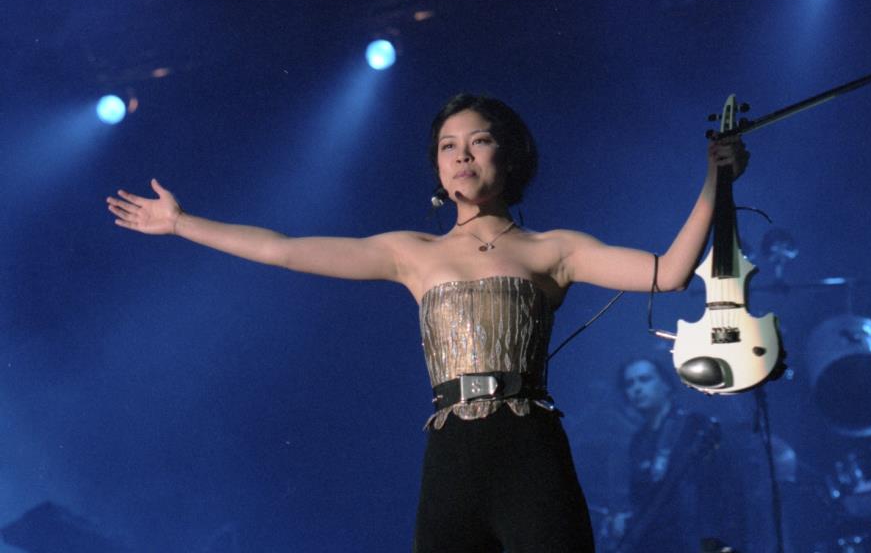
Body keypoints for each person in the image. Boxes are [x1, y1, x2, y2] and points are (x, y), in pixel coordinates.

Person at [106, 93, 748, 552]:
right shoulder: (411, 252)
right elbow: (282, 248)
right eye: (448, 146)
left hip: (530, 449)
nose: (461, 155)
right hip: (453, 454)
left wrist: (715, 182)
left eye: (478, 140)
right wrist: (182, 223)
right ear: (438, 168)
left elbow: (669, 272)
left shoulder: (555, 248)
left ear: (509, 155)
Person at [603, 356, 727, 552]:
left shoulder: (693, 425)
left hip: (690, 539)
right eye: (629, 384)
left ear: (666, 384)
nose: (636, 388)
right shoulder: (638, 441)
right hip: (652, 542)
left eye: (645, 379)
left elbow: (714, 489)